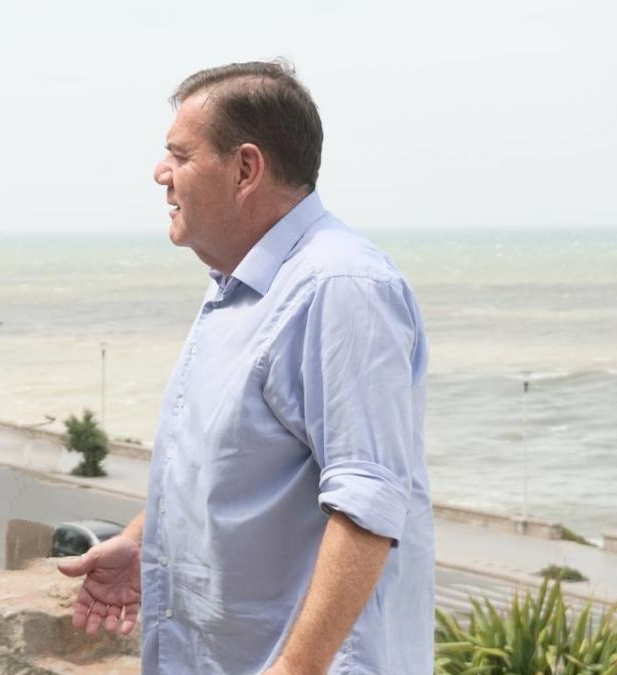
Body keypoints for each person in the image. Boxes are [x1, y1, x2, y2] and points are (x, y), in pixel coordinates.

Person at [59, 61, 434, 674]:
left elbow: (367, 501)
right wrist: (140, 542)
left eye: (179, 155)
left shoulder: (340, 286)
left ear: (245, 170)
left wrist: (298, 666)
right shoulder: (240, 288)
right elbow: (236, 469)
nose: (160, 173)